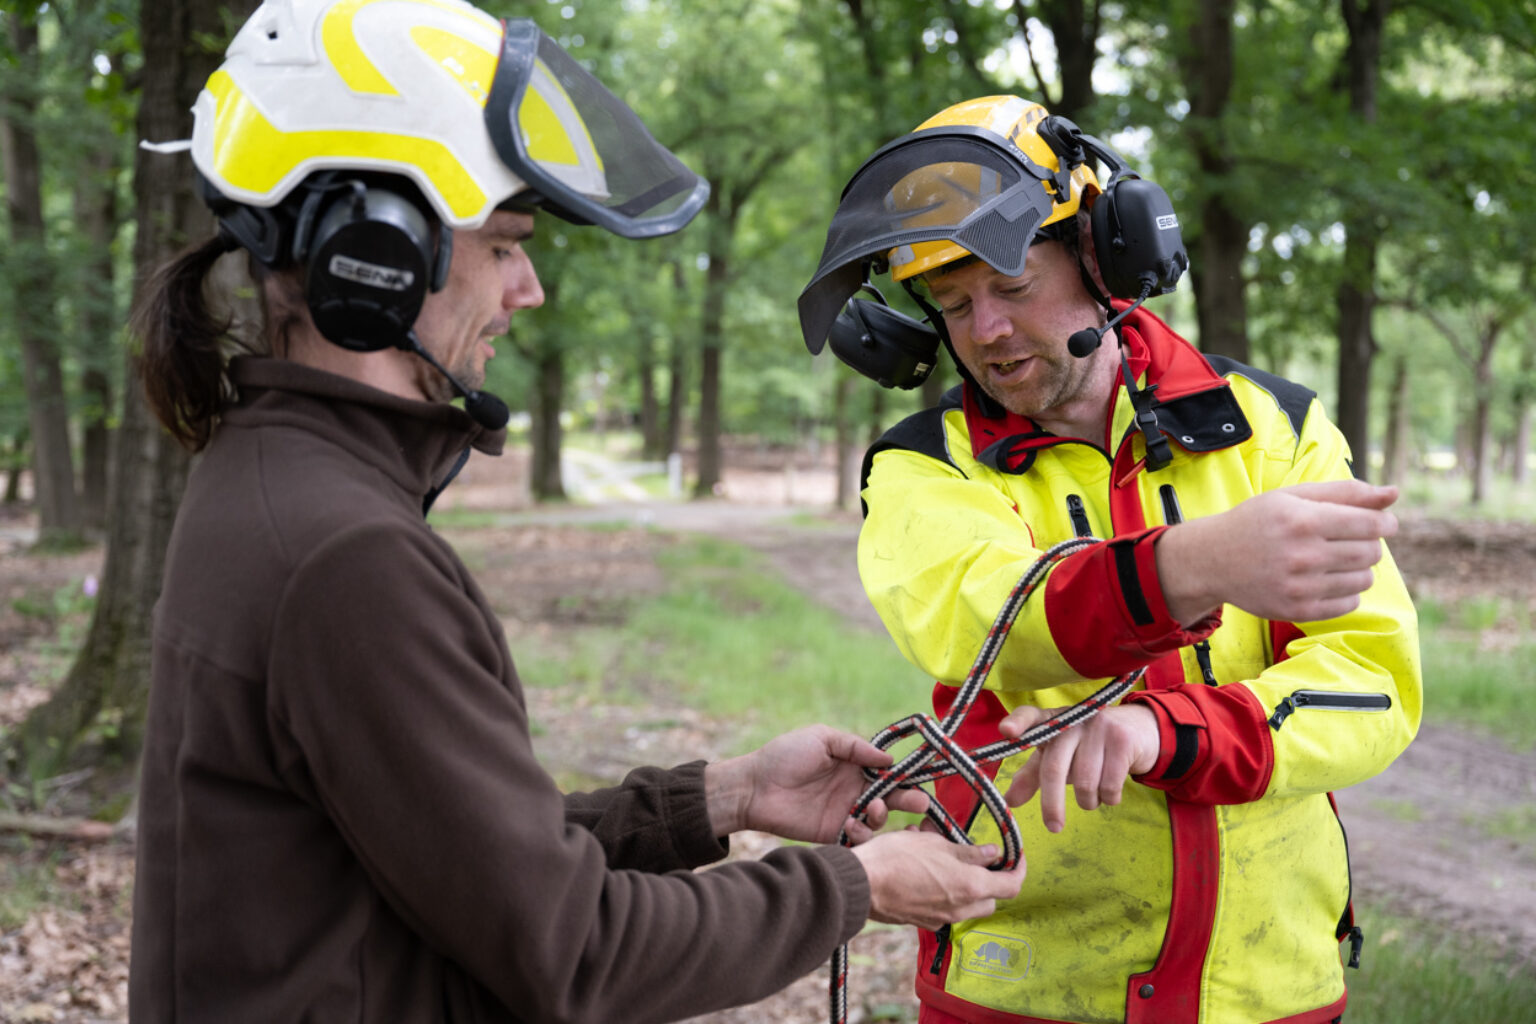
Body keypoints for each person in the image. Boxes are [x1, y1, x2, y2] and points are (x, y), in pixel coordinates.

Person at [127, 4, 1025, 1022]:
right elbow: (576, 949)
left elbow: (459, 854)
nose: (531, 287)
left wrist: (720, 798)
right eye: (506, 244)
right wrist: (863, 887)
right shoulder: (349, 557)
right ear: (374, 248)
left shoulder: (268, 478)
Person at [798, 96, 1422, 1024]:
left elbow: (1371, 677)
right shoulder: (924, 464)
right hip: (1019, 987)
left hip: (1269, 986)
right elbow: (983, 622)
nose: (987, 332)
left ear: (1105, 255)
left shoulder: (1275, 430)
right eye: (955, 304)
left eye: (1012, 287)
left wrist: (1168, 732)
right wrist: (1192, 565)